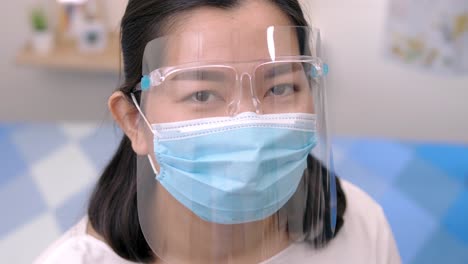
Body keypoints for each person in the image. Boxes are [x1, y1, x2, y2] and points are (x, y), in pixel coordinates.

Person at [35, 0, 401, 263]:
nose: (248, 124)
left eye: (279, 88)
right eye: (203, 94)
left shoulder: (363, 227)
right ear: (134, 120)